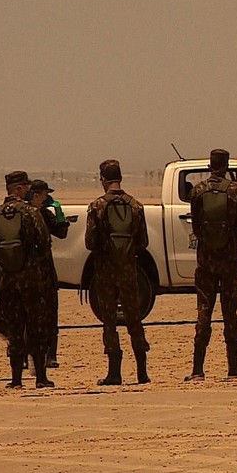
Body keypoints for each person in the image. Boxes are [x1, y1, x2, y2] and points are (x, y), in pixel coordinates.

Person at [0, 171, 53, 388]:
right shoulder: (31, 213)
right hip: (31, 282)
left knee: (14, 329)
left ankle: (15, 379)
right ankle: (40, 377)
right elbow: (44, 244)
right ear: (19, 189)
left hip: (7, 282)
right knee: (35, 327)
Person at [85, 160, 151, 385]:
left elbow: (89, 242)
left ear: (103, 179)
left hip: (105, 272)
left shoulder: (97, 207)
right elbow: (143, 242)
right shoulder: (136, 206)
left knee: (110, 321)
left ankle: (115, 372)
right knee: (134, 319)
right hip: (128, 271)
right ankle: (142, 371)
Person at [185, 149, 237, 381]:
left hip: (206, 262)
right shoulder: (235, 191)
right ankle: (233, 368)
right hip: (229, 261)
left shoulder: (198, 191)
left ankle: (198, 369)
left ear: (210, 165)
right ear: (227, 165)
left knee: (204, 311)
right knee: (230, 312)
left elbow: (197, 226)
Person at [28, 179, 69, 368]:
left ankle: (50, 354)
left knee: (50, 313)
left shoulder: (44, 213)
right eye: (45, 195)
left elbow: (61, 233)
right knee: (29, 315)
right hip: (29, 271)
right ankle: (29, 355)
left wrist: (60, 216)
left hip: (44, 270)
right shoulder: (24, 214)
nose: (47, 198)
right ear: (36, 195)